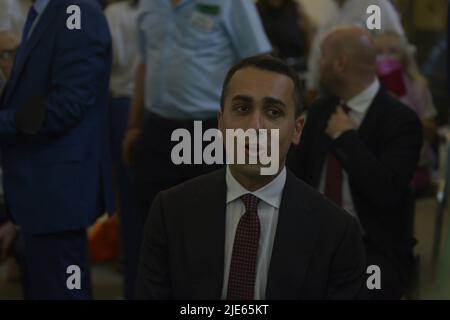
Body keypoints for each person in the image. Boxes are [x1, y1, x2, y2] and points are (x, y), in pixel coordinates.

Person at [136, 55, 367, 300]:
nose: (255, 126)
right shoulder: (170, 212)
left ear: (297, 130)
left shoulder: (337, 231)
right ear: (221, 123)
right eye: (243, 108)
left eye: (274, 112)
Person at [122, 0, 272, 298]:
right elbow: (145, 64)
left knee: (209, 229)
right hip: (156, 130)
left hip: (208, 130)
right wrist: (134, 124)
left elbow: (258, 66)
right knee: (150, 225)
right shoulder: (150, 5)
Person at [288, 27, 423, 299]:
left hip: (372, 247)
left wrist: (346, 138)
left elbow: (387, 192)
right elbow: (292, 177)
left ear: (339, 64)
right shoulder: (319, 111)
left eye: (322, 56)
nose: (317, 65)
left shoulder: (401, 121)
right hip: (311, 240)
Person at [0, 0, 114, 299]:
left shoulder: (76, 12)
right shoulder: (46, 11)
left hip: (58, 190)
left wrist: (5, 122)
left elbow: (68, 104)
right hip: (39, 189)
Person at [105, 0, 140, 300]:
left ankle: (132, 282)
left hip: (123, 105)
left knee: (129, 202)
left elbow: (106, 64)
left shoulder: (114, 14)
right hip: (149, 110)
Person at [375, 31, 438, 194]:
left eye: (393, 51)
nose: (386, 58)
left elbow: (431, 132)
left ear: (404, 56)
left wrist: (401, 107)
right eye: (379, 52)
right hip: (376, 162)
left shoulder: (418, 87)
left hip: (415, 164)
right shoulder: (369, 87)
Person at [307, 0, 405, 102]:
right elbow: (316, 52)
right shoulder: (329, 9)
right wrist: (312, 86)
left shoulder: (374, 5)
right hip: (330, 91)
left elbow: (396, 48)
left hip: (368, 94)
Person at [256, 0, 313, 72]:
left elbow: (308, 37)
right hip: (269, 67)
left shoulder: (296, 8)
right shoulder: (257, 10)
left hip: (297, 64)